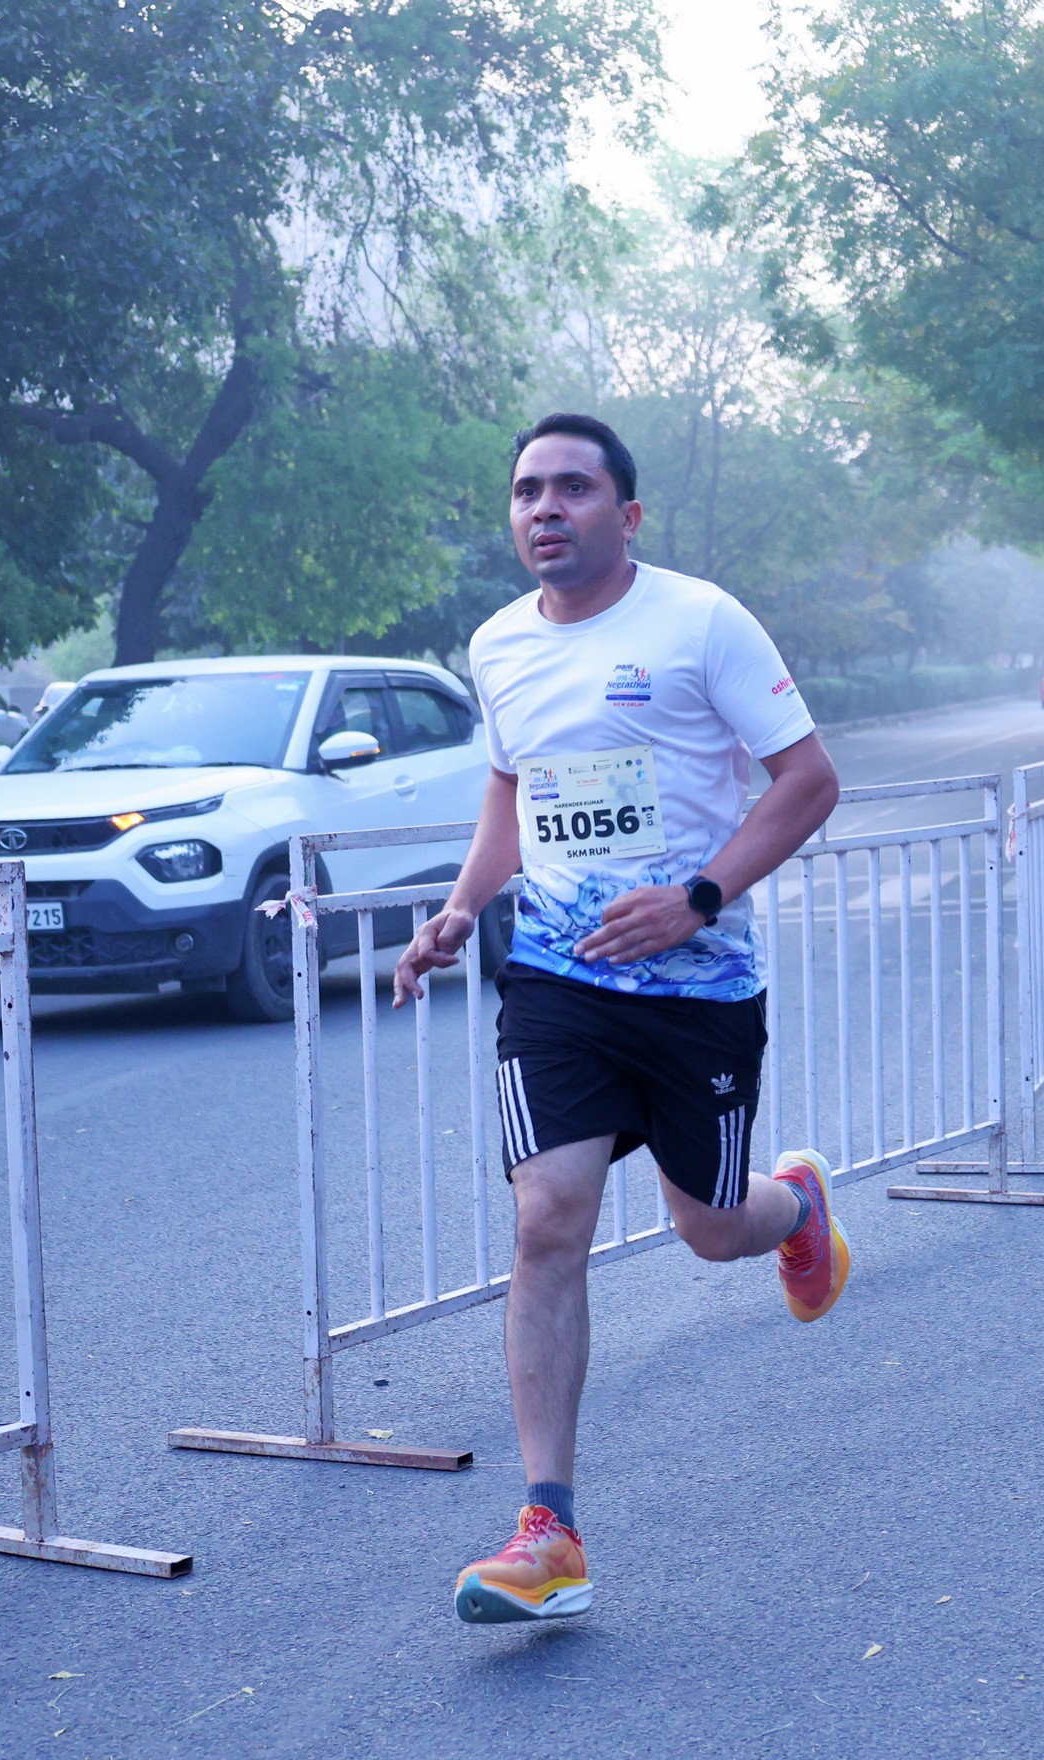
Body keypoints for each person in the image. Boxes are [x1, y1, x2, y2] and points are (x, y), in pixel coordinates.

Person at [390, 413, 849, 1627]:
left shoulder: (702, 622)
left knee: (710, 1226)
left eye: (574, 488)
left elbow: (809, 780)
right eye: (527, 491)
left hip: (699, 986)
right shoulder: (497, 645)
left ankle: (795, 1206)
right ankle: (549, 1529)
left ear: (627, 515)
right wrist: (460, 906)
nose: (546, 507)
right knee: (548, 1215)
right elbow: (514, 786)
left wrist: (697, 896)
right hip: (558, 976)